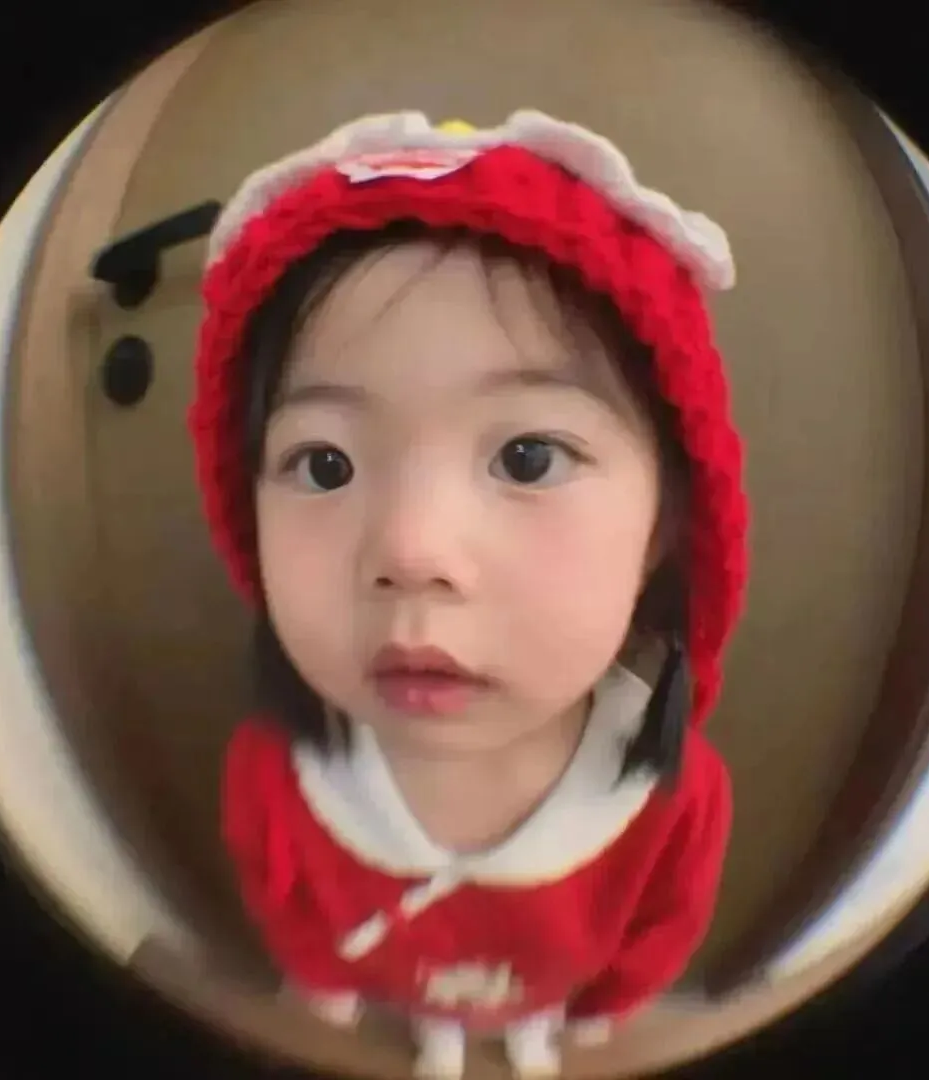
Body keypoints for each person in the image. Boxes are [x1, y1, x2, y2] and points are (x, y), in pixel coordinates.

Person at [188, 111, 749, 1079]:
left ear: (665, 526)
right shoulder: (277, 772)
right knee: (430, 1034)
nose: (411, 552)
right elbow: (285, 900)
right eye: (323, 464)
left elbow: (661, 925)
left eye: (528, 456)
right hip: (392, 999)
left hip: (551, 1003)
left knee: (532, 1034)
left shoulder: (673, 800)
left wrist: (606, 1007)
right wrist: (318, 976)